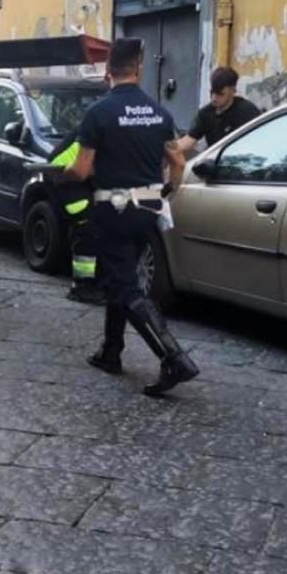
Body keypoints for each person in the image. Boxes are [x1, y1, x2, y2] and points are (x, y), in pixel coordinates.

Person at [62, 38, 199, 396]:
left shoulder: (100, 113)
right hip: (149, 207)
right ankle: (111, 351)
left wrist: (60, 174)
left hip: (114, 207)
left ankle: (174, 357)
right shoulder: (159, 113)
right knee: (119, 277)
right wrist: (168, 191)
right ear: (138, 69)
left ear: (108, 72)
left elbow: (81, 168)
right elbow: (179, 161)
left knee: (124, 285)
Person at [48, 128, 104, 305]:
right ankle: (82, 287)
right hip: (66, 180)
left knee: (92, 228)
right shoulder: (96, 131)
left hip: (77, 179)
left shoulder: (105, 125)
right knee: (87, 227)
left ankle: (90, 282)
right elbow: (83, 168)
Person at [177, 66, 260, 153]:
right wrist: (167, 147)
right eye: (212, 92)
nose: (214, 98)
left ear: (233, 90)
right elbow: (188, 140)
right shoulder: (205, 114)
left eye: (220, 94)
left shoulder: (247, 111)